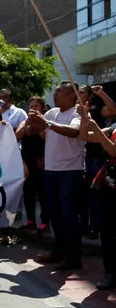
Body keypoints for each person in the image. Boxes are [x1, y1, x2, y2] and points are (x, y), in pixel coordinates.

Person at [30, 82, 85, 270]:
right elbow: (35, 129)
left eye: (60, 91)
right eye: (55, 92)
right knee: (55, 214)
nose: (55, 94)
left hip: (70, 171)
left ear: (72, 94)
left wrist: (45, 123)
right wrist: (33, 121)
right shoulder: (52, 112)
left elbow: (74, 132)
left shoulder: (79, 112)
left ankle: (74, 257)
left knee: (69, 215)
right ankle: (59, 250)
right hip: (51, 170)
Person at [77, 103, 116, 289]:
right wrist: (85, 119)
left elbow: (114, 150)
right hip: (109, 186)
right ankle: (110, 272)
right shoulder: (113, 127)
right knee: (107, 231)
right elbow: (86, 137)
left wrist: (96, 130)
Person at [78, 85, 108, 239]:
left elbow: (112, 110)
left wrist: (101, 94)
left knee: (95, 194)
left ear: (89, 95)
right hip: (79, 159)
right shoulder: (74, 111)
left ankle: (94, 227)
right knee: (83, 195)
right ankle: (82, 226)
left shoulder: (97, 109)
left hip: (95, 157)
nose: (78, 95)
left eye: (81, 92)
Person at [16, 96, 49, 232]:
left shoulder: (47, 122)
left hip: (43, 161)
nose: (34, 109)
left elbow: (47, 138)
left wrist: (37, 125)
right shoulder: (24, 122)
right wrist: (28, 123)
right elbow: (17, 136)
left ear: (42, 108)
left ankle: (45, 221)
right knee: (28, 191)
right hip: (27, 162)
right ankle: (30, 220)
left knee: (43, 193)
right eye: (32, 106)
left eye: (36, 106)